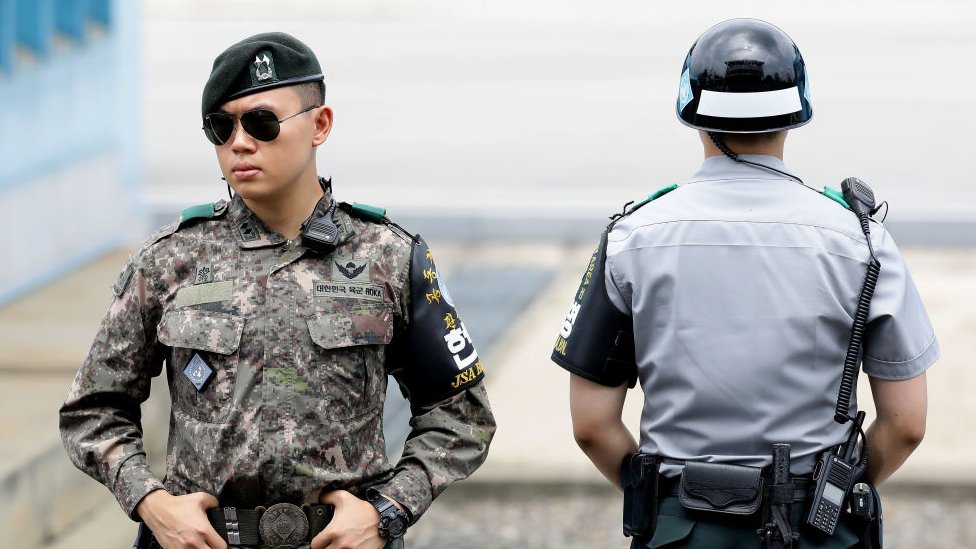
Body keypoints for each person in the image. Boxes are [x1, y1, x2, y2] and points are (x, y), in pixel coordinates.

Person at [59, 32, 495, 549]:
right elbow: (91, 411)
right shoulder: (171, 260)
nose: (240, 142)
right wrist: (152, 504)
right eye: (221, 128)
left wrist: (390, 511)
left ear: (320, 125)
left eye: (262, 123)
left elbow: (461, 413)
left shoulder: (389, 258)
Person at [551, 18, 937, 548]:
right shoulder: (861, 239)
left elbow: (591, 425)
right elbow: (908, 423)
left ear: (691, 106)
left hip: (681, 530)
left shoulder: (630, 237)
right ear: (796, 109)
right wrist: (833, 493)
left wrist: (661, 501)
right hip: (819, 533)